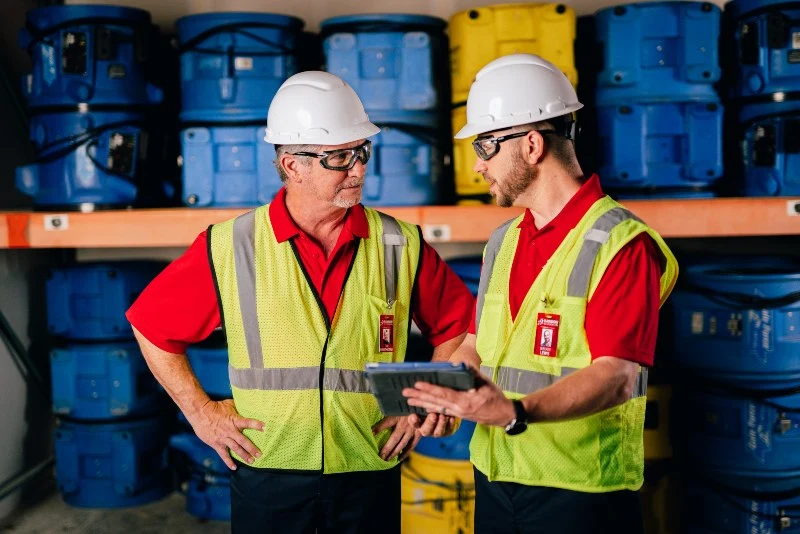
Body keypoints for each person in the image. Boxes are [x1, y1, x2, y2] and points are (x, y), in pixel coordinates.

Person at [127, 71, 473, 534]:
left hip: (369, 467)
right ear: (292, 165)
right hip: (269, 471)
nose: (359, 169)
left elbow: (458, 327)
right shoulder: (233, 246)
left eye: (362, 152)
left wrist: (420, 403)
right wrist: (200, 412)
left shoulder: (399, 243)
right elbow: (151, 325)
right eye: (340, 157)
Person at [403, 54, 679, 534]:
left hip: (580, 492)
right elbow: (476, 344)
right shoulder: (502, 242)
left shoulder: (621, 244)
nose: (477, 165)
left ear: (531, 145)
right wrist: (445, 394)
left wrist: (514, 413)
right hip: (496, 478)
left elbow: (616, 375)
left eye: (486, 145)